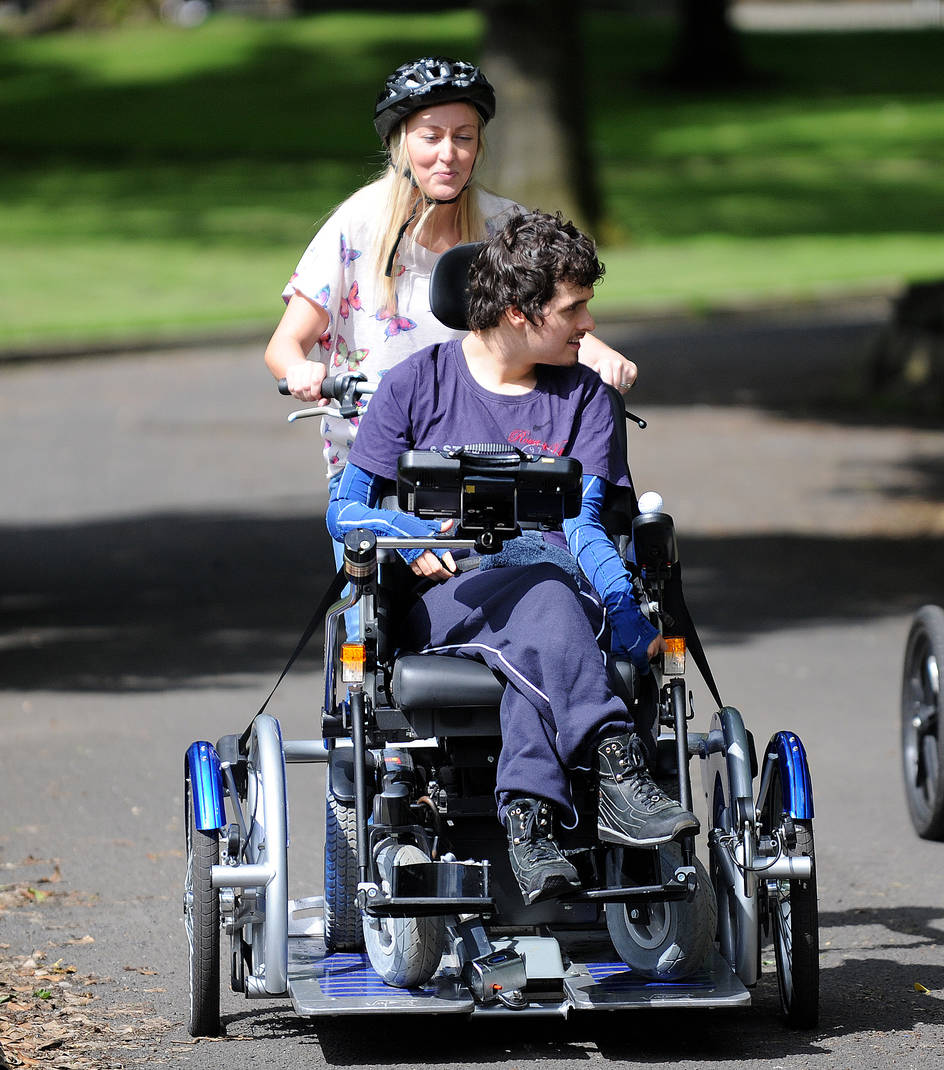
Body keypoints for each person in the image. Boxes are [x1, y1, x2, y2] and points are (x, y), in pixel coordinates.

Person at [327, 210, 694, 906]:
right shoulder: (415, 386)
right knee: (550, 603)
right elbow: (343, 512)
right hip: (447, 599)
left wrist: (626, 615)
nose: (589, 324)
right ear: (521, 312)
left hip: (551, 598)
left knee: (547, 609)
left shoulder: (584, 397)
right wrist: (412, 533)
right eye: (574, 308)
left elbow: (584, 528)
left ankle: (528, 825)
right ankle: (614, 764)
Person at [263, 55, 637, 491]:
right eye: (430, 137)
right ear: (400, 143)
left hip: (480, 458)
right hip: (374, 461)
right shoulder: (357, 226)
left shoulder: (504, 227)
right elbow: (285, 344)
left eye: (464, 137)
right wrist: (301, 371)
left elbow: (545, 311)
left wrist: (599, 352)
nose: (449, 154)